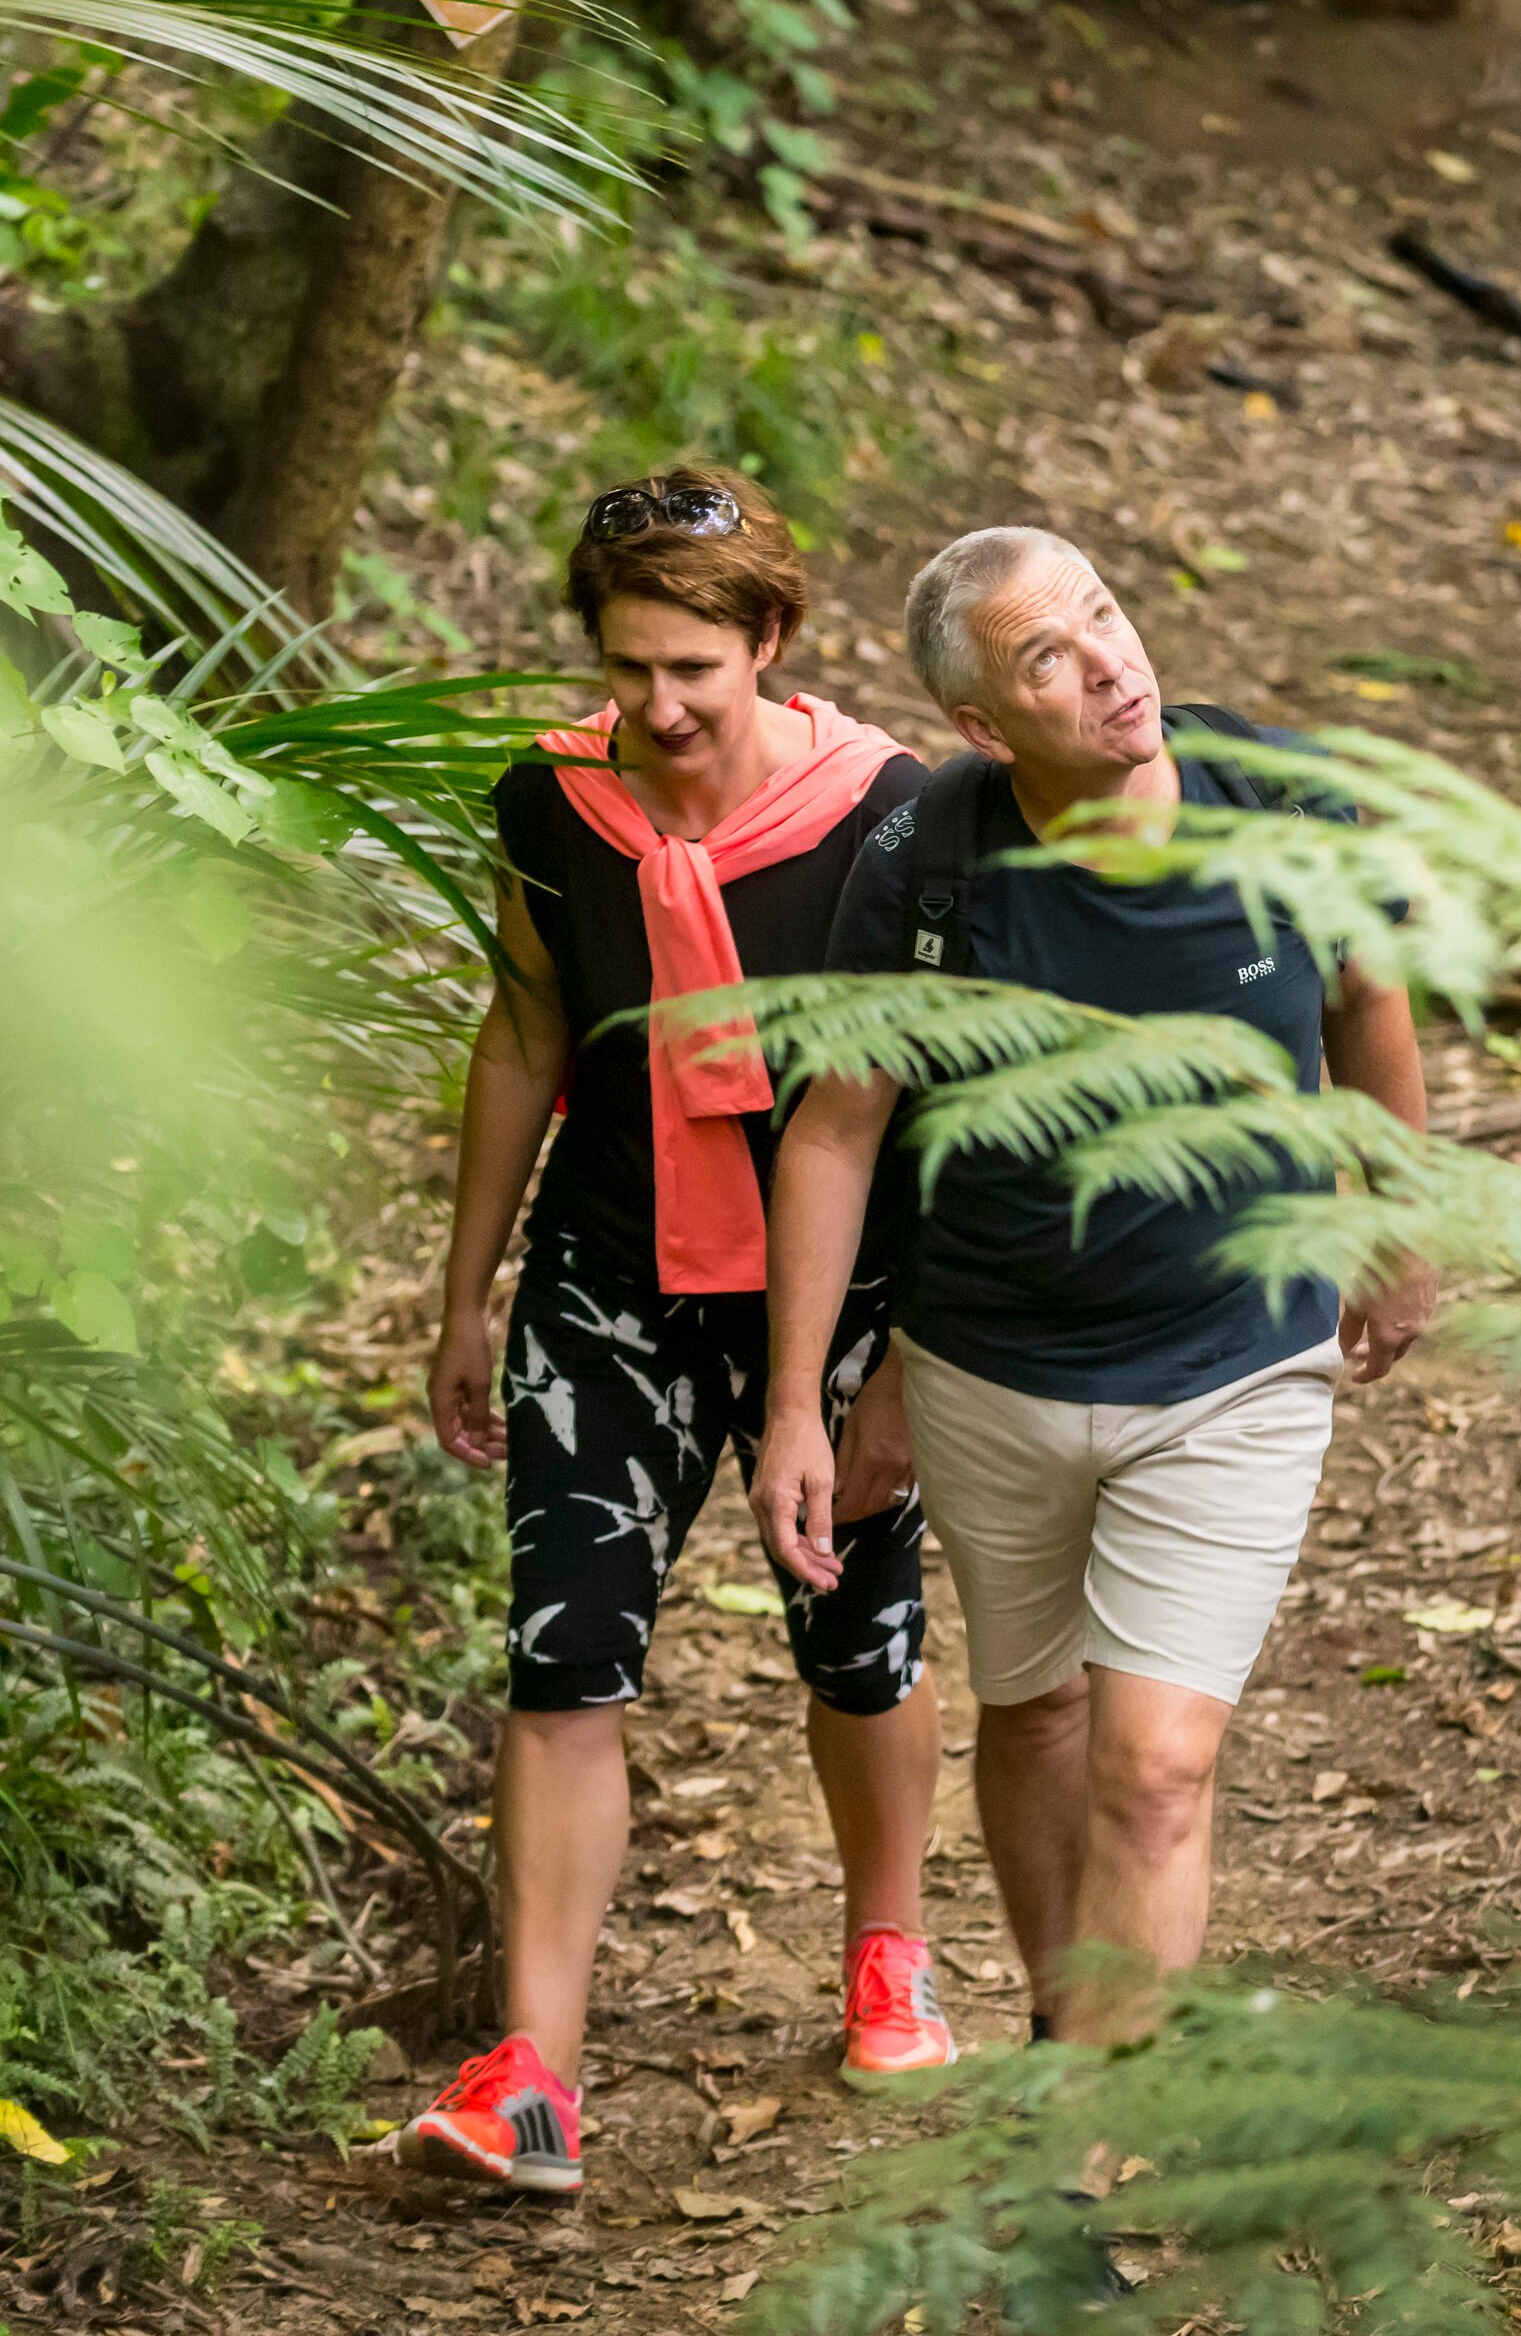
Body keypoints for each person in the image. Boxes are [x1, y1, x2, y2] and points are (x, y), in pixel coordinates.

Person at [751, 526, 1431, 2050]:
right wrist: (804, 1398)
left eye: (1106, 617)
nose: (1111, 664)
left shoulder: (1282, 803)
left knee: (1156, 1765)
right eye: (1047, 656)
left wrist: (1402, 1220)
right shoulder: (927, 863)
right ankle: (1073, 2044)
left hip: (1235, 1363)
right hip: (994, 1368)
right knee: (1039, 1712)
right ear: (989, 729)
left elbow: (1370, 1001)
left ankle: (1087, 2145)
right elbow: (837, 1130)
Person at [408, 468, 956, 2195]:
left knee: (855, 1642)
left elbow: (926, 1102)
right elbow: (521, 1039)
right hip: (610, 1266)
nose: (656, 709)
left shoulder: (892, 817)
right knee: (562, 1657)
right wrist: (465, 1291)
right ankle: (534, 2077)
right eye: (628, 668)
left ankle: (889, 1954)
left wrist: (903, 1371)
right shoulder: (553, 804)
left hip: (847, 1282)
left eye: (694, 674)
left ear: (771, 644)